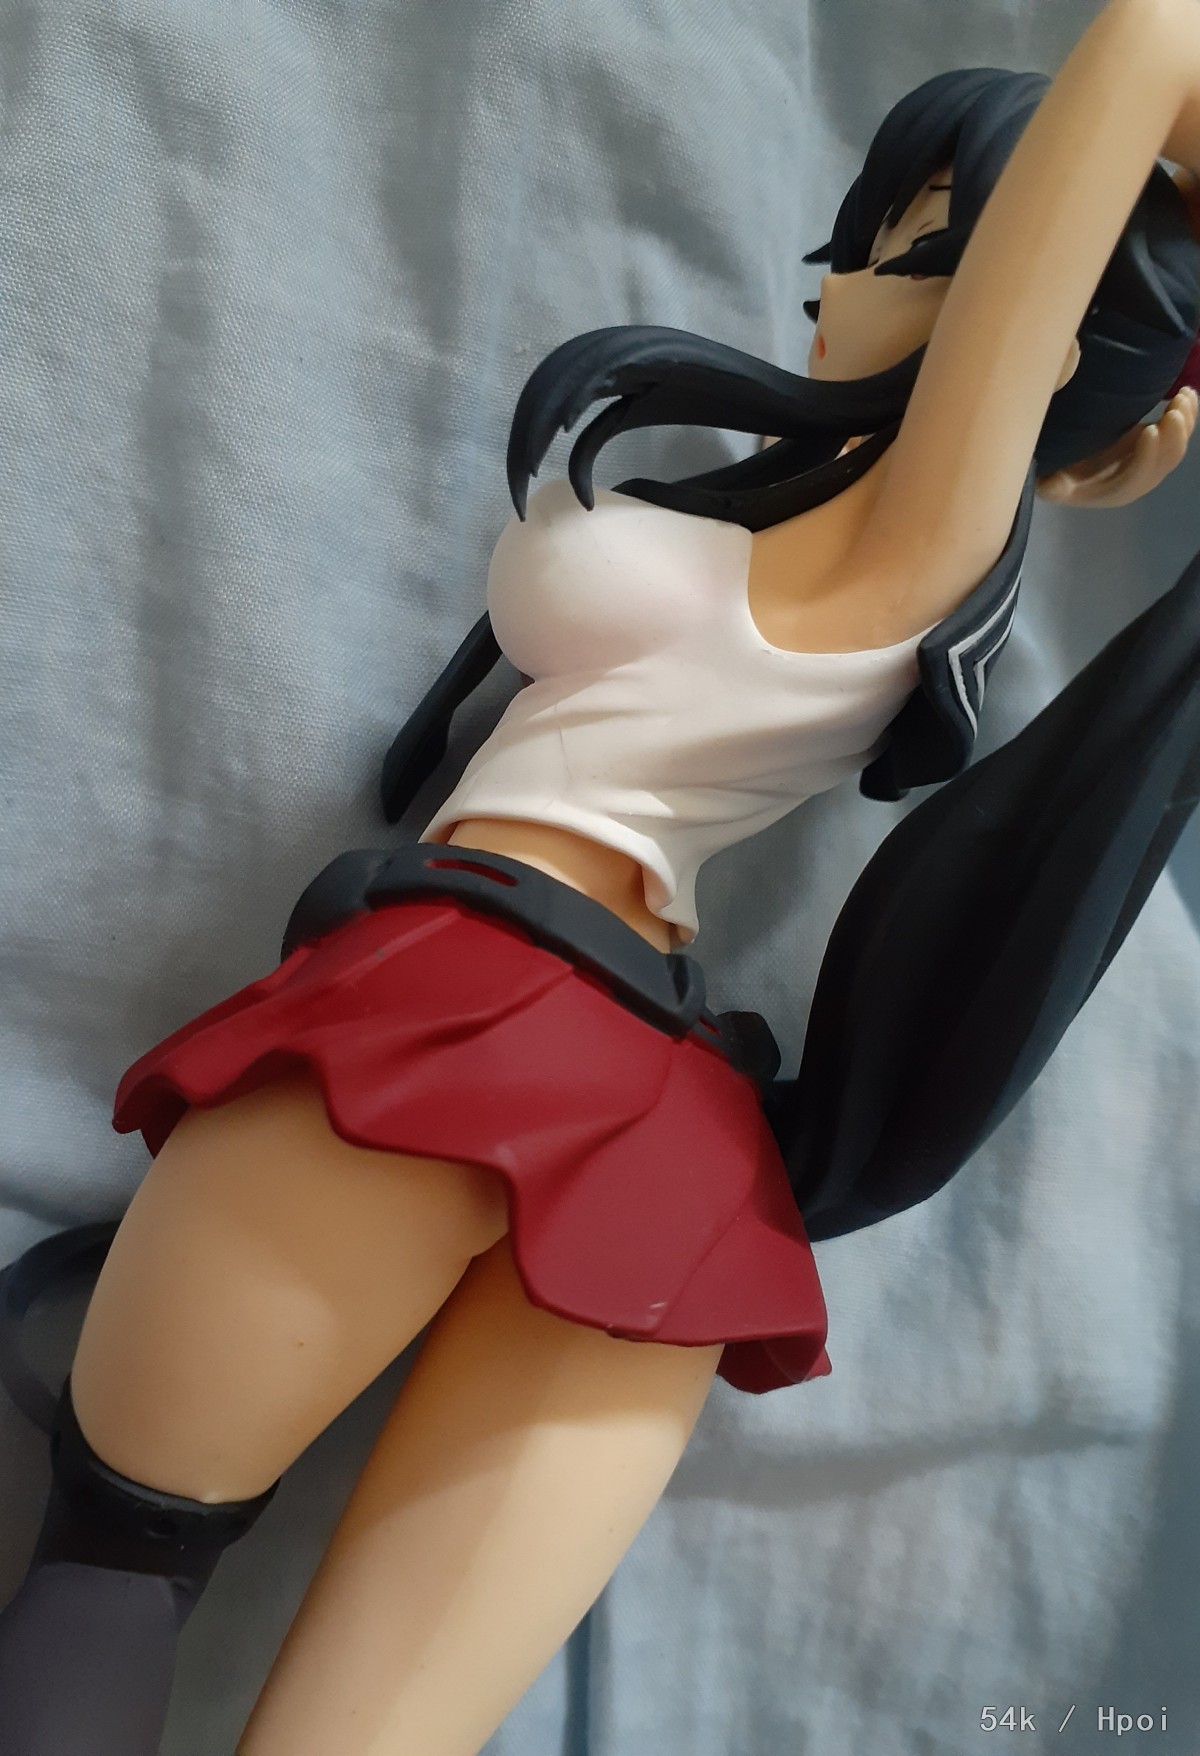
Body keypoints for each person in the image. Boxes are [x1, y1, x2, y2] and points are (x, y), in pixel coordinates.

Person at [3, 3, 1200, 1752]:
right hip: (655, 1140)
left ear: (1036, 344)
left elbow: (1152, 41)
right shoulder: (832, 535)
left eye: (912, 253)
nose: (841, 276)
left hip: (470, 1013)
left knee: (114, 1577)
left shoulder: (914, 540)